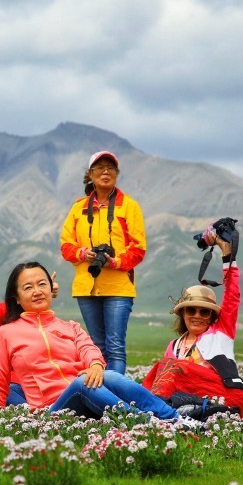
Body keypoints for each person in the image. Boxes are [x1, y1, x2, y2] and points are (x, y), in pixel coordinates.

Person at [0, 262, 187, 423]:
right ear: (17, 298)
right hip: (51, 412)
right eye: (28, 287)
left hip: (89, 399)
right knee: (83, 382)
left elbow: (88, 349)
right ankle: (148, 424)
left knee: (110, 375)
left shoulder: (70, 326)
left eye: (42, 284)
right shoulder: (6, 333)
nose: (37, 291)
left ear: (51, 288)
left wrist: (96, 365)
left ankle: (174, 418)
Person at [143, 231, 243, 417]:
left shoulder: (221, 332)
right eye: (191, 310)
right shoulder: (174, 346)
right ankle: (170, 412)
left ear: (212, 315)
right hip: (194, 397)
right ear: (183, 313)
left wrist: (227, 256)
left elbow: (232, 296)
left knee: (170, 366)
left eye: (204, 311)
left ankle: (151, 412)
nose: (197, 315)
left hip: (227, 396)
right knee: (158, 370)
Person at [59, 151, 147, 375]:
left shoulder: (129, 206)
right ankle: (102, 396)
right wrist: (82, 253)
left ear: (117, 174)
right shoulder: (78, 208)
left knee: (115, 347)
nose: (105, 172)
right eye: (99, 168)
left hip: (118, 287)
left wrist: (115, 262)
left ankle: (115, 398)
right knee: (97, 347)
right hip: (86, 287)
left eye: (111, 168)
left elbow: (138, 248)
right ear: (90, 174)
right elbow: (65, 245)